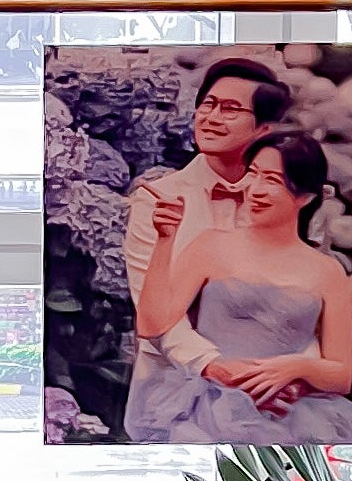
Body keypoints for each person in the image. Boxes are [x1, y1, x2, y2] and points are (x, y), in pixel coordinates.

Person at [124, 128, 352, 445]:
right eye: (253, 174)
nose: (254, 189)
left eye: (271, 180)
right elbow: (151, 323)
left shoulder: (328, 272)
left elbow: (341, 376)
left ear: (305, 196)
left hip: (292, 411)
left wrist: (295, 367)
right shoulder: (211, 245)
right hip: (206, 406)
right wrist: (165, 238)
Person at [120, 57, 292, 411]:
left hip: (272, 386)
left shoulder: (286, 200)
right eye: (207, 105)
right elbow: (153, 308)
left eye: (230, 109)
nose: (211, 118)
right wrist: (213, 366)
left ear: (264, 130)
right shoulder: (155, 199)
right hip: (175, 390)